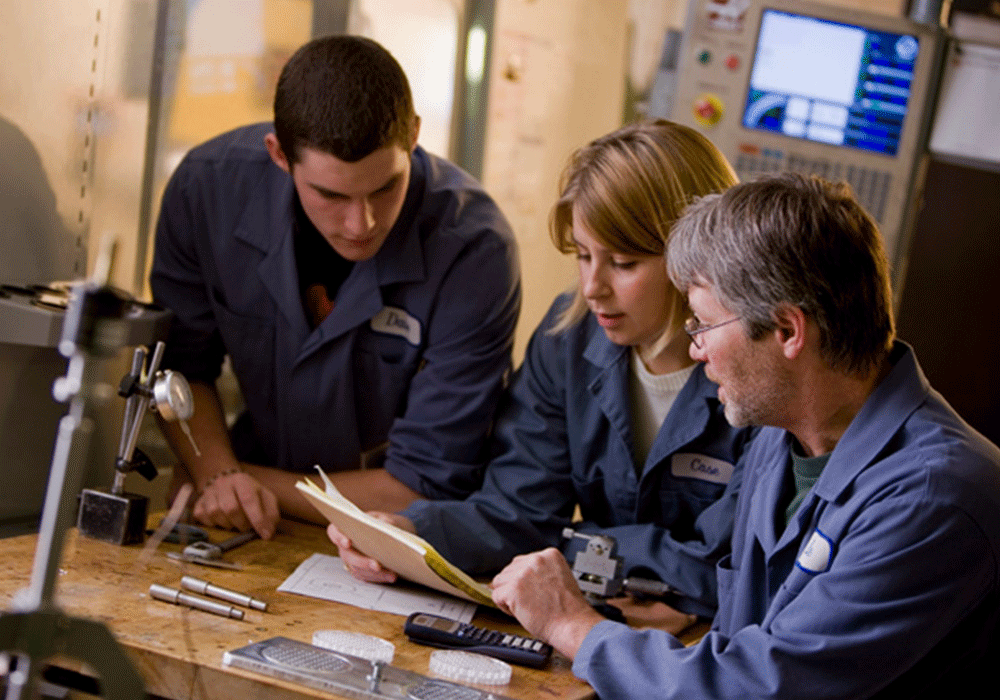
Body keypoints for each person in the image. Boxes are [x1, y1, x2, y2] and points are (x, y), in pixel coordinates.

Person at [488, 172, 1000, 699]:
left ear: (787, 331)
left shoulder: (934, 497)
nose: (695, 350)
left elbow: (756, 687)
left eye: (704, 325)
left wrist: (572, 626)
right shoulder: (780, 442)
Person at [331, 120, 757, 620]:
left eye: (622, 262)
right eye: (582, 255)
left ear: (698, 261)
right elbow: (519, 512)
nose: (592, 287)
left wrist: (584, 548)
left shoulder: (757, 370)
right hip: (606, 627)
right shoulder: (567, 338)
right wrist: (410, 532)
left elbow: (733, 569)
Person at [150, 35, 520, 539]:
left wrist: (225, 478)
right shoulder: (206, 191)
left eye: (386, 187)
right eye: (329, 194)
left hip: (393, 536)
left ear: (413, 135)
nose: (360, 223)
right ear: (279, 154)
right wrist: (220, 473)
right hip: (252, 523)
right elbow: (179, 369)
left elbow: (421, 484)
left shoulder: (474, 250)